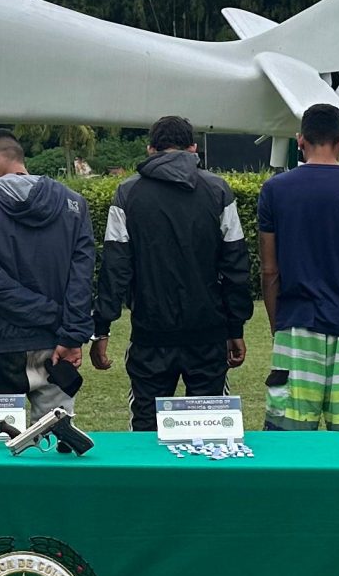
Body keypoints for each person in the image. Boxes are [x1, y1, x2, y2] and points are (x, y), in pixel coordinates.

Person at [91, 115, 252, 429]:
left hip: (150, 335)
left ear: (150, 149)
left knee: (145, 437)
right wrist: (236, 329)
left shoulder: (127, 193)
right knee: (210, 433)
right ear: (193, 148)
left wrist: (102, 328)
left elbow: (115, 268)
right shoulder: (219, 190)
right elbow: (236, 267)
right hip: (208, 334)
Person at [255, 103, 339, 449]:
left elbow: (270, 270)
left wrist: (278, 327)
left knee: (287, 447)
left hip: (296, 325)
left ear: (300, 140)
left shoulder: (275, 189)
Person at [0, 130, 95, 420]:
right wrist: (70, 331)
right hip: (57, 344)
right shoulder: (75, 204)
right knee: (57, 444)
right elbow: (81, 278)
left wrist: (52, 316)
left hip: (0, 344)